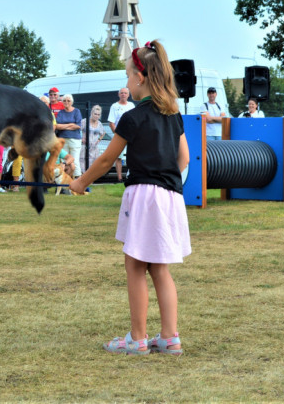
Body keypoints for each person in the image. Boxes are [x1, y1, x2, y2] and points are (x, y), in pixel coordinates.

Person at [71, 41, 190, 355]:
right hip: (170, 196)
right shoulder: (174, 114)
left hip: (143, 196)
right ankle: (169, 338)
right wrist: (165, 180)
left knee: (136, 266)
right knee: (160, 269)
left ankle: (137, 339)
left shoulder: (132, 118)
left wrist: (81, 182)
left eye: (128, 76)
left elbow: (106, 160)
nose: (125, 83)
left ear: (141, 78)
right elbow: (184, 158)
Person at [107, 87, 135, 182]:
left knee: (131, 156)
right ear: (118, 94)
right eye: (121, 93)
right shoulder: (114, 106)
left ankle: (131, 176)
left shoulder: (131, 105)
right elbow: (111, 122)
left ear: (128, 95)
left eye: (125, 93)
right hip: (119, 135)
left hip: (131, 135)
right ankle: (119, 178)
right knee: (118, 157)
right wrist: (117, 134)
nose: (123, 94)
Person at [55, 94, 83, 178]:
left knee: (75, 160)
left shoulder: (76, 111)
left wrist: (64, 126)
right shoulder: (61, 113)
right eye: (64, 100)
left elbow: (78, 125)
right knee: (64, 161)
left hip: (75, 140)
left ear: (72, 102)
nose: (66, 102)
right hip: (63, 139)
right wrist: (70, 124)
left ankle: (78, 180)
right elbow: (58, 126)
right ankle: (64, 181)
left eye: (68, 100)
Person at [81, 104, 105, 171]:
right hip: (84, 147)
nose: (96, 116)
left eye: (98, 114)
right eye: (95, 114)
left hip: (94, 148)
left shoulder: (99, 124)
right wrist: (81, 139)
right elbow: (77, 130)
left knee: (93, 169)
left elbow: (103, 133)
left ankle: (91, 181)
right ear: (91, 113)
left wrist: (99, 139)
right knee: (83, 167)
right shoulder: (84, 121)